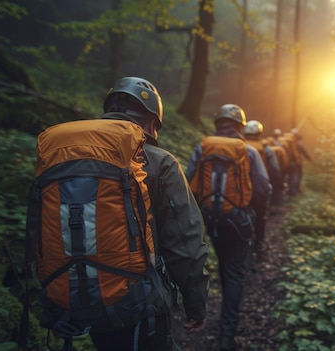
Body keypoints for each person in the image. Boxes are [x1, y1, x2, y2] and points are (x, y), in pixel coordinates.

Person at [93, 76, 210, 351]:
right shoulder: (159, 163)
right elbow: (186, 243)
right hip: (140, 301)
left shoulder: (74, 156)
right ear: (151, 122)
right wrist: (196, 305)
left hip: (80, 295)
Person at [186, 104, 271, 351]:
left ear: (218, 124)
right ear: (240, 126)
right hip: (238, 222)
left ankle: (201, 312)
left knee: (224, 262)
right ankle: (226, 334)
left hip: (209, 219)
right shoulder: (248, 152)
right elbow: (264, 189)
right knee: (234, 274)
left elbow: (189, 183)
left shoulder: (202, 147)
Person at [243, 119, 282, 246]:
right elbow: (275, 168)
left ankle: (244, 239)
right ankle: (258, 241)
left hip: (241, 188)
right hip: (259, 188)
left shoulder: (239, 146)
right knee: (261, 214)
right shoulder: (266, 148)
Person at [288, 128, 313, 195]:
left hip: (290, 163)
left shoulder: (288, 143)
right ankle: (295, 190)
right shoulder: (298, 144)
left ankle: (291, 190)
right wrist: (310, 159)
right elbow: (304, 152)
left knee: (291, 176)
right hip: (297, 162)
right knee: (298, 175)